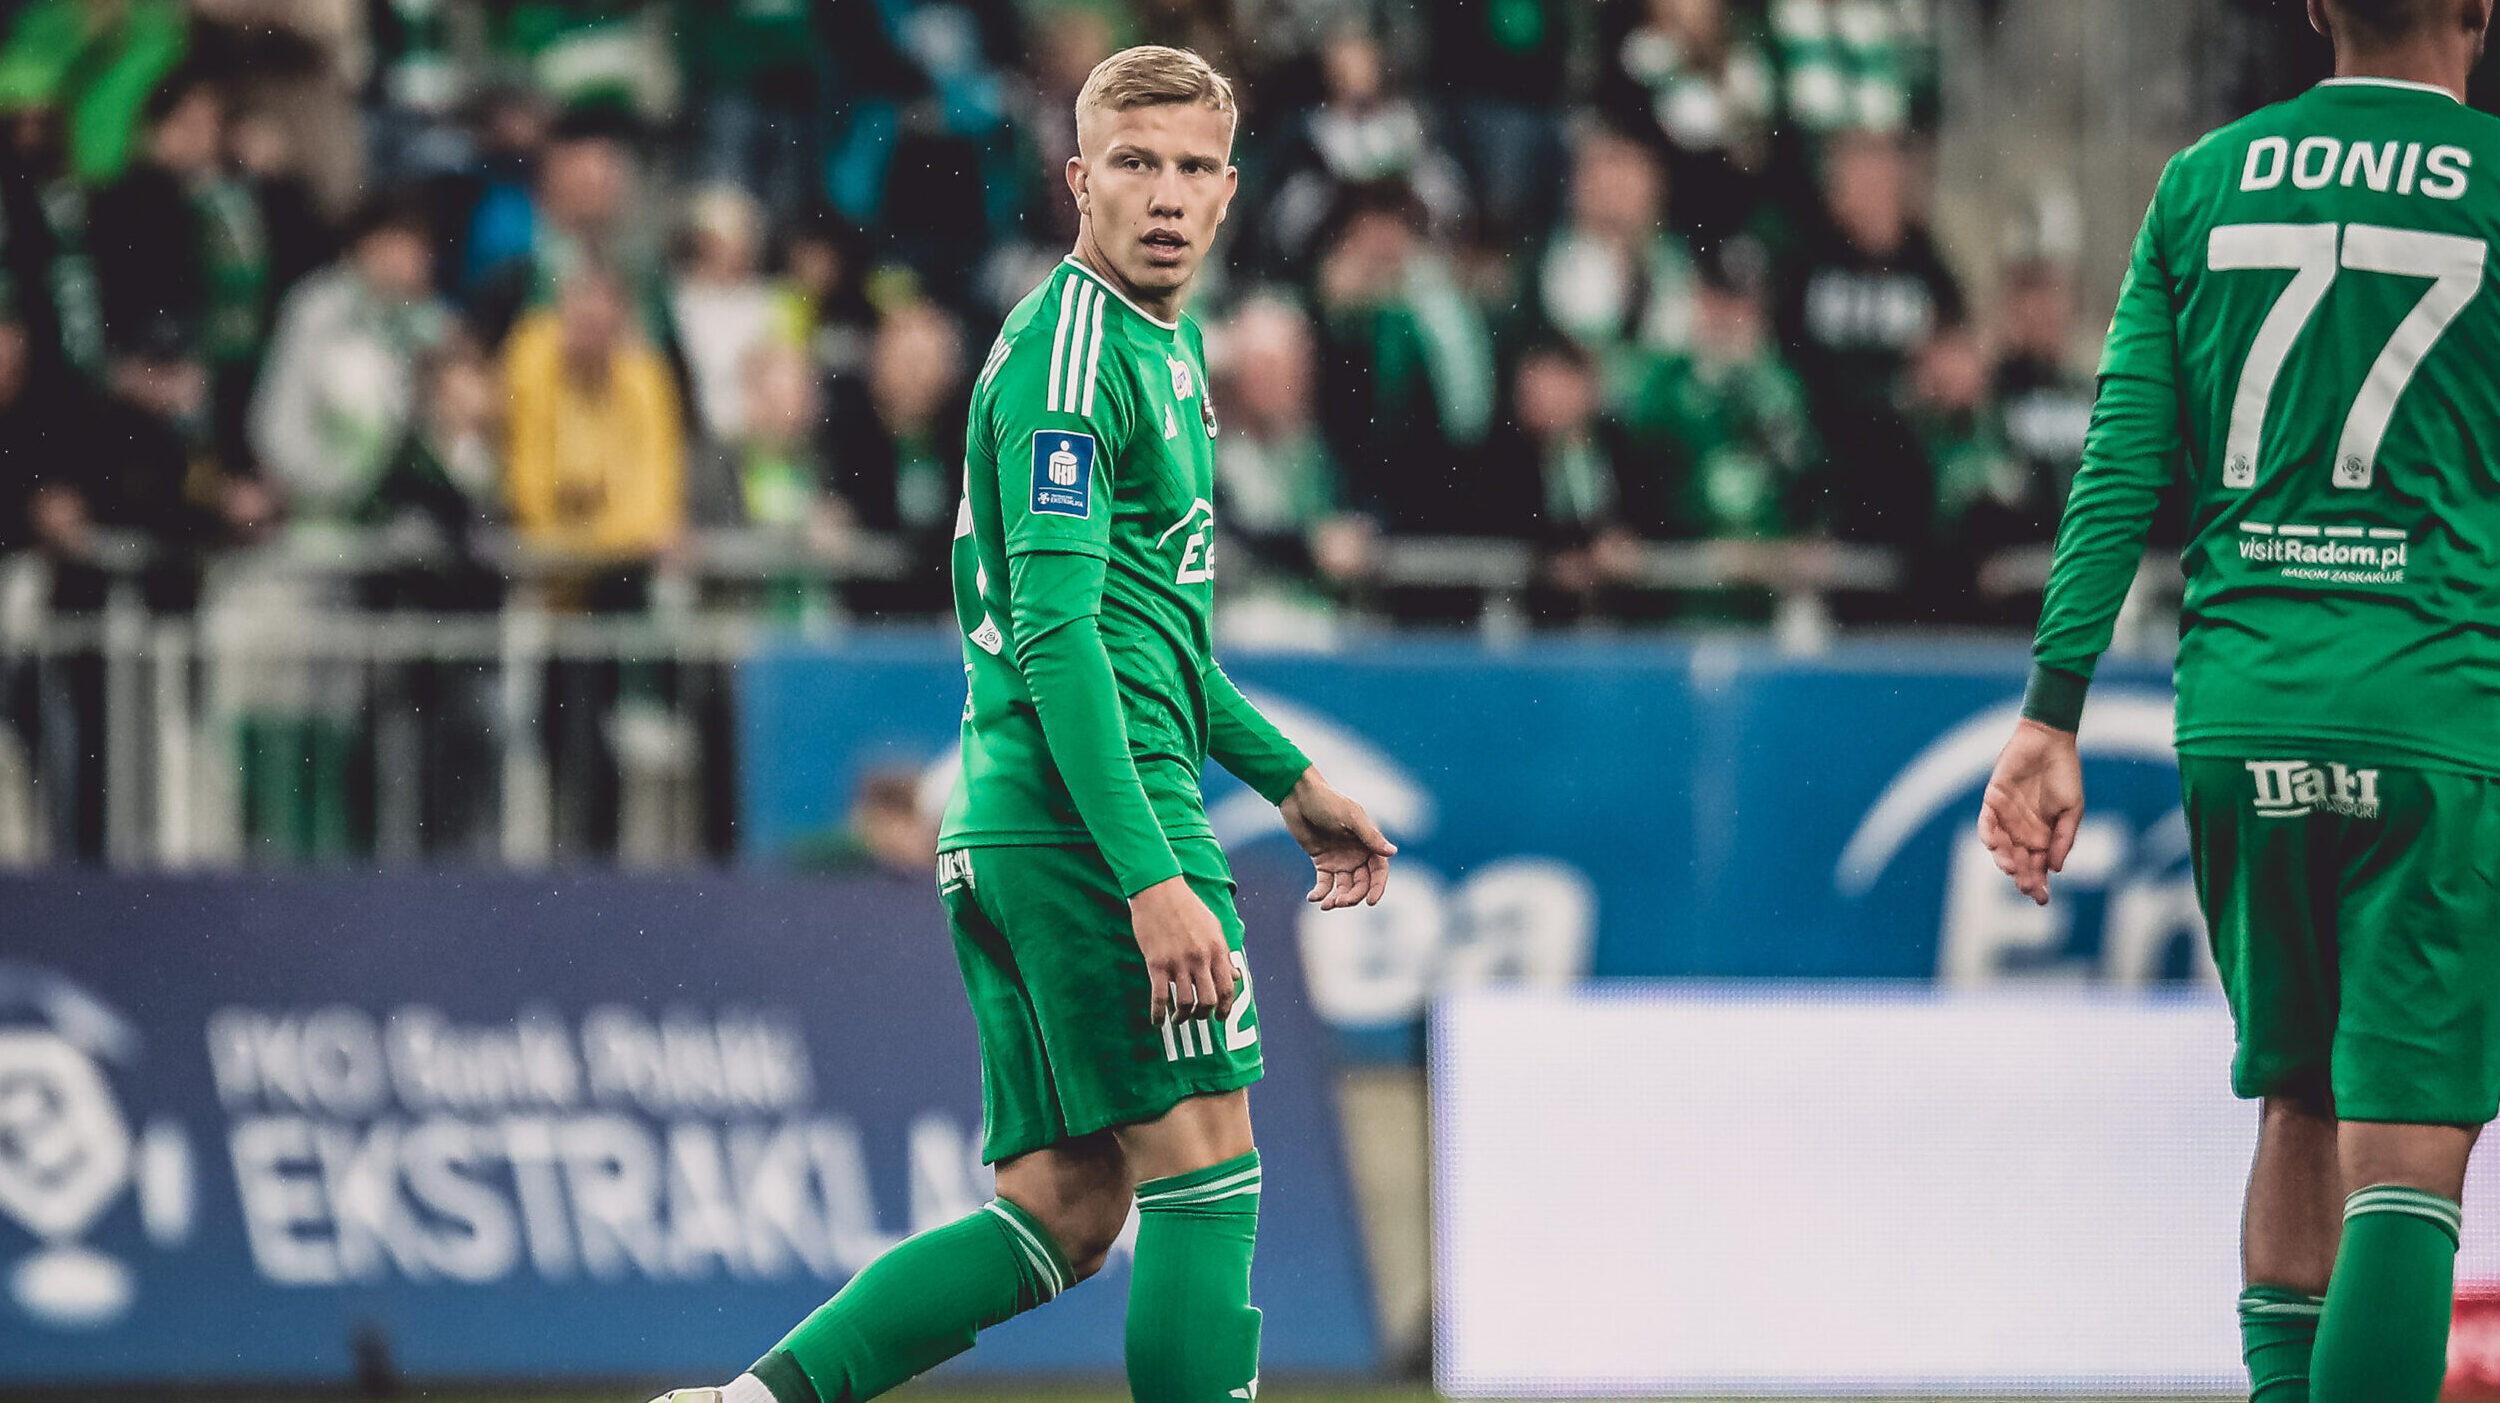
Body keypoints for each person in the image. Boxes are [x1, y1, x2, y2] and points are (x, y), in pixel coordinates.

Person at [648, 45, 1395, 1403]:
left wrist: (1291, 783)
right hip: (1088, 820)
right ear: (1077, 181)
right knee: (1207, 1157)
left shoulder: (1156, 351)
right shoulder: (1072, 360)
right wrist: (1153, 873)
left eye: (1189, 169)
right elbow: (1057, 638)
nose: (1163, 196)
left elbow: (1148, 635)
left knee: (1063, 1207)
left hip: (1027, 817)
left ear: (1229, 193)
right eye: (1133, 164)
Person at [1977, 4, 2500, 1401]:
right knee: (2412, 1143)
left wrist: (2052, 709)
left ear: (2319, 5)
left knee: (2299, 1099)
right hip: (2433, 709)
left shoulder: (2203, 183)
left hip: (2243, 715)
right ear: (2482, 10)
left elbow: (2119, 465)